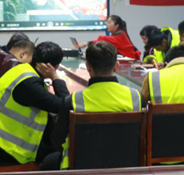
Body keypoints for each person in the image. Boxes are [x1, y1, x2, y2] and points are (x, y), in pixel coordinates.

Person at [44, 41, 142, 170]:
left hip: (81, 166)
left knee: (47, 162)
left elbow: (57, 141)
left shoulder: (73, 101)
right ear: (116, 66)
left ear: (88, 67)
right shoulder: (136, 97)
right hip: (127, 165)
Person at [0, 41, 69, 165]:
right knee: (65, 154)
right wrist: (55, 78)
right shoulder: (30, 85)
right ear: (55, 67)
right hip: (8, 148)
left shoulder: (21, 70)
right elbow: (65, 105)